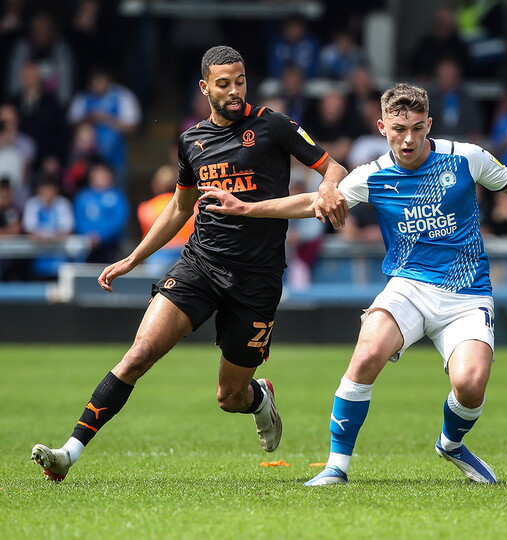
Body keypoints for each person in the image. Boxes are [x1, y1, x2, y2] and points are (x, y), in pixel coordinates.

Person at [197, 83, 507, 486]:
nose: (408, 140)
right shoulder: (372, 175)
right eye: (399, 130)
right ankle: (336, 467)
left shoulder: (465, 158)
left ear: (429, 125)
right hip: (408, 287)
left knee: (470, 384)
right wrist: (246, 208)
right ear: (382, 127)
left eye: (417, 129)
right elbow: (314, 202)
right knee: (367, 352)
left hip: (466, 294)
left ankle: (451, 444)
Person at [30, 45, 349, 483]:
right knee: (139, 354)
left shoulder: (273, 125)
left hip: (257, 279)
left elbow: (334, 168)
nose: (234, 91)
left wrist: (329, 187)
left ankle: (259, 399)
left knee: (229, 397)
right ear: (204, 88)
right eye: (224, 84)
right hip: (200, 265)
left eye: (240, 81)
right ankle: (68, 453)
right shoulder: (191, 142)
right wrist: (133, 258)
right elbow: (180, 208)